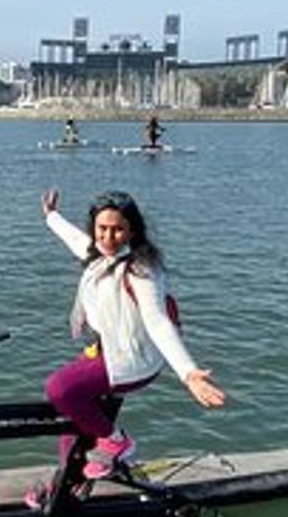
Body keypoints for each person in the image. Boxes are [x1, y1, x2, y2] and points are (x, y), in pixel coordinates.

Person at [33, 187, 225, 499]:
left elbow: (158, 322)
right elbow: (75, 240)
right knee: (70, 419)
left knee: (59, 388)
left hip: (134, 360)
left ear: (132, 230)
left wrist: (188, 372)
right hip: (107, 351)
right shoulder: (98, 256)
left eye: (118, 229)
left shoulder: (141, 269)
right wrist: (51, 217)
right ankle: (68, 481)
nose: (109, 237)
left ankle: (115, 441)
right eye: (102, 229)